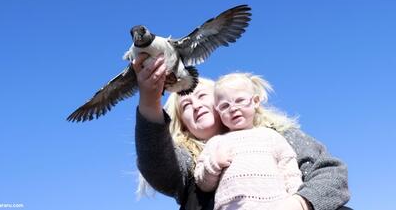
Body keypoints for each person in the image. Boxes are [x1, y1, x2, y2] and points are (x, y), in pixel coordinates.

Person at [133, 53, 351, 210]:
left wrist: (300, 202)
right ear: (183, 125)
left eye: (201, 97)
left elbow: (330, 172)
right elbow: (158, 163)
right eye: (186, 106)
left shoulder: (275, 136)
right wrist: (150, 102)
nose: (196, 106)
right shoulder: (190, 162)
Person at [194, 73, 304, 210]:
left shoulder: (271, 136)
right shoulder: (216, 143)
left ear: (255, 101)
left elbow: (290, 170)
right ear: (218, 111)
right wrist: (214, 164)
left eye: (240, 100)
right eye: (224, 106)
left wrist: (295, 198)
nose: (233, 108)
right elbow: (202, 183)